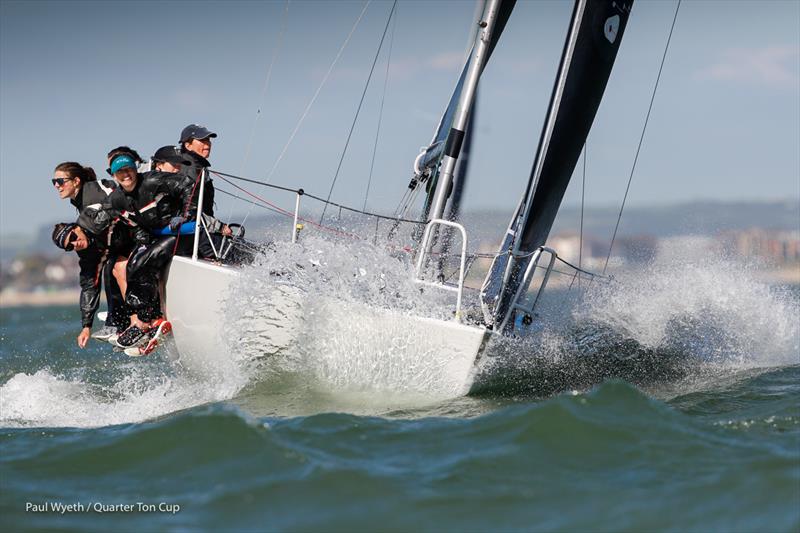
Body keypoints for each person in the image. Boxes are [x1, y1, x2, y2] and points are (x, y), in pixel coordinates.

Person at [97, 152, 199, 347]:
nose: (125, 175)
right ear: (114, 176)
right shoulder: (117, 199)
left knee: (143, 263)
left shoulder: (152, 180)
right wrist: (144, 241)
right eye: (120, 172)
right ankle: (148, 320)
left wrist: (187, 214)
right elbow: (134, 225)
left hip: (181, 234)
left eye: (128, 169)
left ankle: (149, 319)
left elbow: (188, 184)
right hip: (158, 236)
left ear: (135, 170)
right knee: (132, 265)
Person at [51, 162, 132, 344]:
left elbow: (119, 198)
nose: (57, 185)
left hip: (136, 232)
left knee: (113, 268)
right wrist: (86, 326)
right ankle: (120, 319)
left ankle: (126, 319)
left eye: (60, 181)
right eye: (69, 247)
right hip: (120, 241)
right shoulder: (80, 203)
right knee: (106, 270)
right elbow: (89, 283)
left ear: (76, 181)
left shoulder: (93, 193)